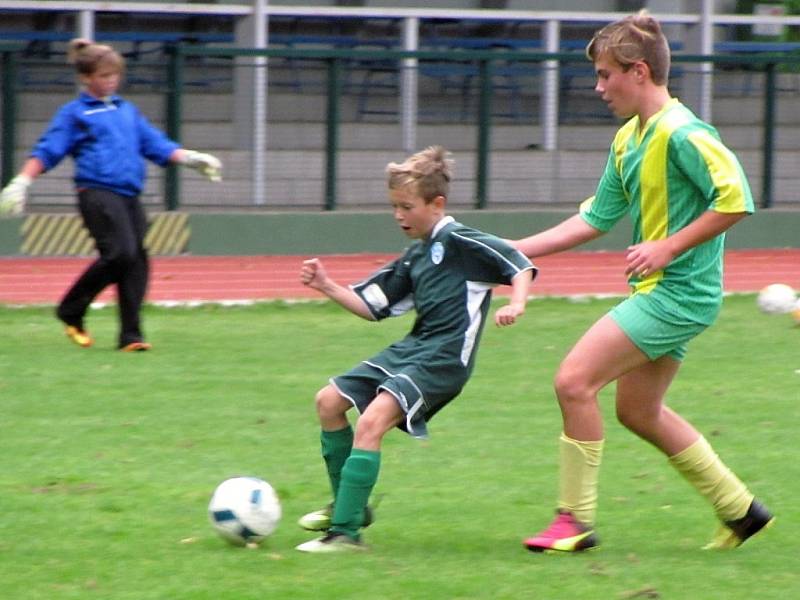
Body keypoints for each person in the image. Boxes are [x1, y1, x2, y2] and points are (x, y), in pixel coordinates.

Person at [515, 11, 773, 554]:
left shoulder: (685, 133)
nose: (599, 86)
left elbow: (738, 199)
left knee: (573, 382)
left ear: (638, 72)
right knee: (638, 411)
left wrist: (668, 246)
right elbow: (594, 219)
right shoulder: (628, 140)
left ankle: (574, 521)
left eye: (606, 74)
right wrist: (513, 250)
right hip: (661, 294)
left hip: (679, 294)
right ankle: (741, 510)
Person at [296, 145, 535, 553]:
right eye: (394, 206)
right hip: (414, 348)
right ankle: (349, 505)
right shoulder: (416, 255)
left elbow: (519, 263)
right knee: (329, 401)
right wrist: (327, 285)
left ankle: (346, 534)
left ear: (436, 204)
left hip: (444, 360)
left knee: (372, 422)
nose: (398, 215)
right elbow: (372, 307)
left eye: (406, 206)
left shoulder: (462, 241)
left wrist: (517, 302)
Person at [0, 38, 221, 351]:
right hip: (97, 192)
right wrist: (23, 180)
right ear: (86, 78)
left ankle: (131, 336)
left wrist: (190, 158)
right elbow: (49, 149)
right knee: (121, 252)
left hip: (129, 195)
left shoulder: (126, 110)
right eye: (104, 76)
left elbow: (155, 144)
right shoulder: (75, 113)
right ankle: (71, 308)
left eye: (115, 75)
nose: (111, 81)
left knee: (137, 262)